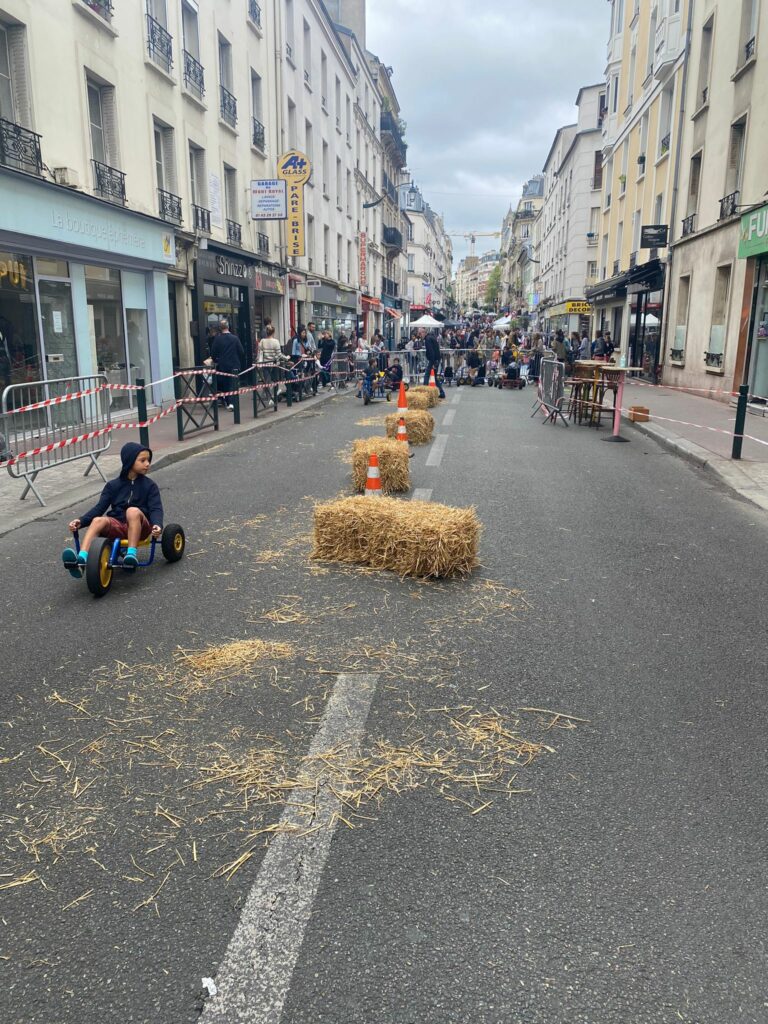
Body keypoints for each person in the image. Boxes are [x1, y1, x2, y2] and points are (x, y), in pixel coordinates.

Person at [62, 442, 163, 575]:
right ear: (130, 461)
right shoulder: (113, 486)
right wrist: (81, 521)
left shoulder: (150, 486)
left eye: (148, 460)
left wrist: (157, 525)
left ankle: (131, 554)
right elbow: (99, 508)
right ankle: (82, 559)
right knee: (98, 520)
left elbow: (156, 508)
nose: (147, 464)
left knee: (132, 511)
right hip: (119, 526)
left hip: (140, 526)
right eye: (142, 460)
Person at [211, 319, 245, 410]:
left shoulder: (217, 339)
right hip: (234, 365)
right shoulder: (235, 338)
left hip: (223, 365)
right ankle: (232, 403)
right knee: (234, 384)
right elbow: (241, 351)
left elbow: (213, 352)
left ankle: (228, 401)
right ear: (228, 327)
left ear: (220, 328)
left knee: (226, 384)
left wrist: (216, 360)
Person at [423, 330, 446, 398]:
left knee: (427, 375)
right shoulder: (432, 338)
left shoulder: (428, 339)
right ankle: (442, 392)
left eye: (420, 333)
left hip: (433, 360)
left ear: (424, 332)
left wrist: (433, 362)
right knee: (435, 377)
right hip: (436, 359)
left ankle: (425, 391)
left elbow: (431, 351)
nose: (419, 335)